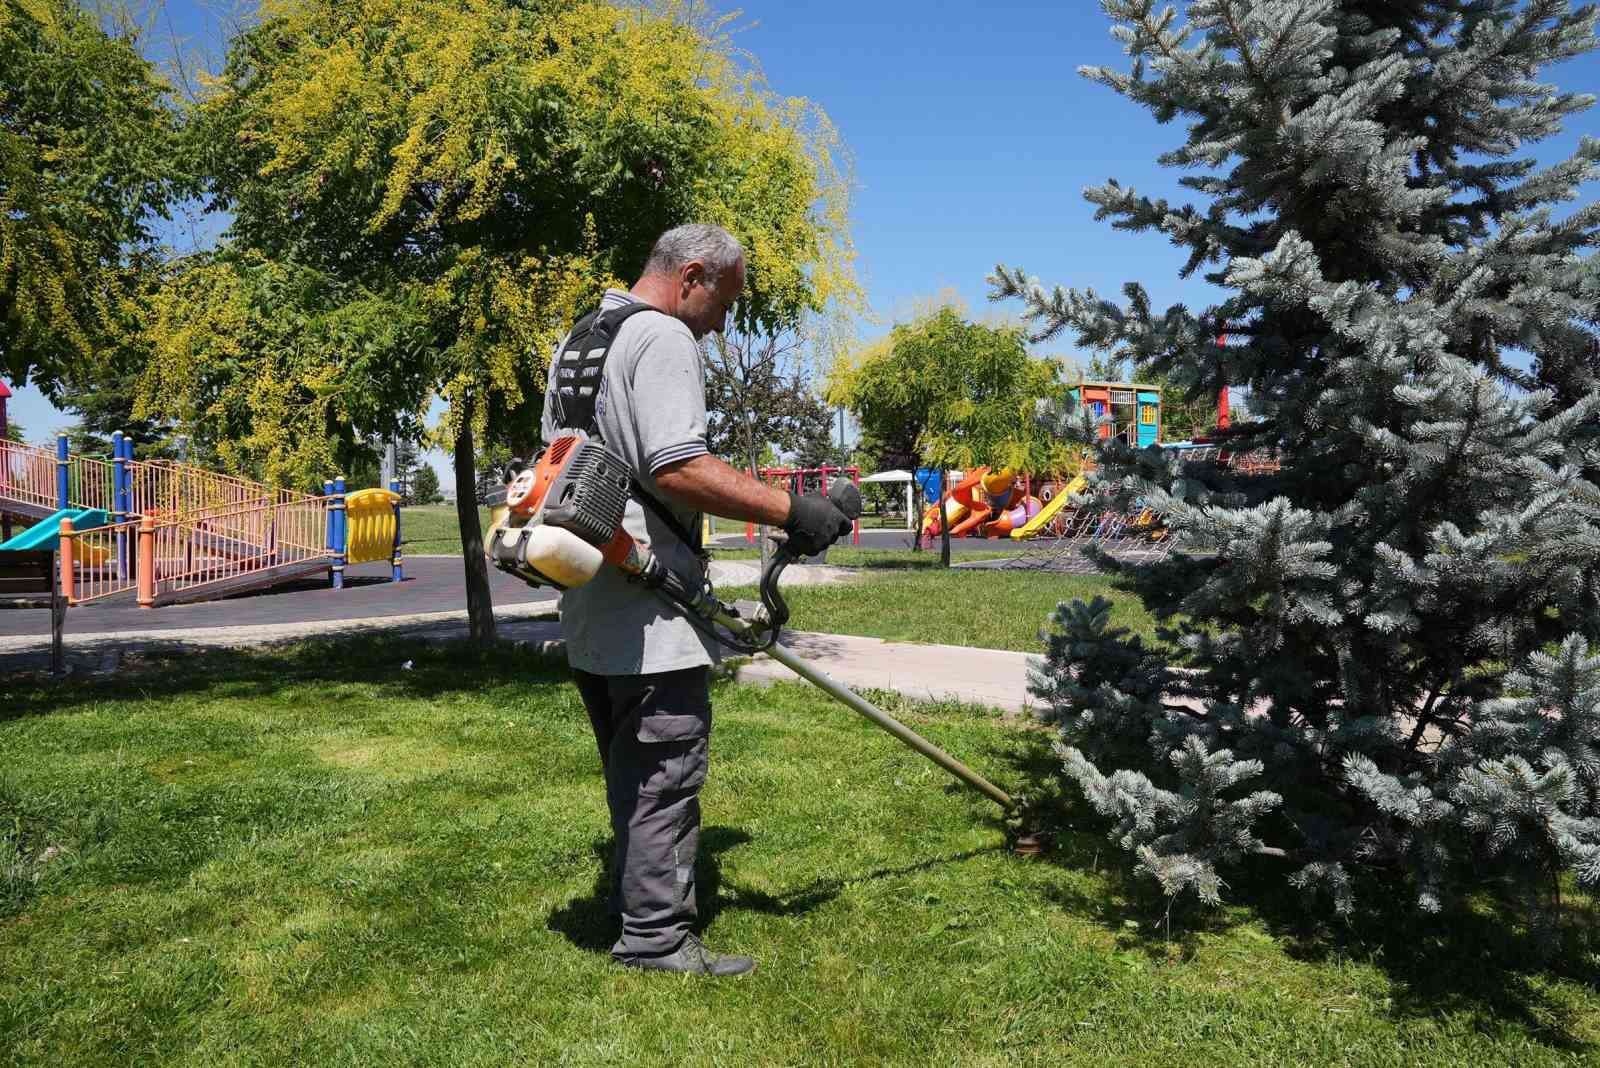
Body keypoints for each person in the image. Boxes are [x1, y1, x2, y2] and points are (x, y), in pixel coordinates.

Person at [539, 223, 852, 976]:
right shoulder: (661, 337)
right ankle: (655, 939)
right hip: (649, 608)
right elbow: (676, 466)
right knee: (666, 771)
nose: (721, 325)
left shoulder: (584, 337)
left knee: (632, 768)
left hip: (589, 594)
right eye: (723, 303)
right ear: (693, 276)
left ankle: (636, 904)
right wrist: (791, 511)